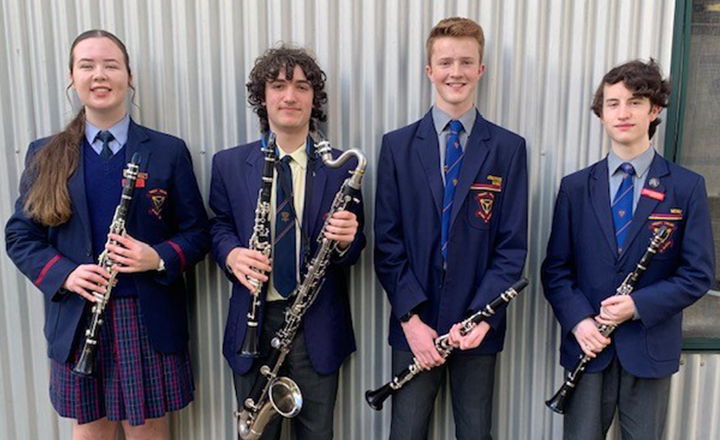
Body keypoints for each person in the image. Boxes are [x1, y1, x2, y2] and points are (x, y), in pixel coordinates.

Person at [4, 30, 209, 440]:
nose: (100, 75)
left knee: (149, 429)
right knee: (91, 430)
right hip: (79, 315)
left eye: (111, 65)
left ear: (128, 77)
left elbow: (198, 233)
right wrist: (65, 274)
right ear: (71, 77)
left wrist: (157, 256)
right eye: (87, 65)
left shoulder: (168, 150)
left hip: (146, 318)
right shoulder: (45, 153)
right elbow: (20, 236)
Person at [541, 59, 715, 440]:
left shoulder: (685, 187)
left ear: (654, 111)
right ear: (601, 114)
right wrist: (579, 321)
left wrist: (638, 305)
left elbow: (698, 273)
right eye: (612, 103)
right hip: (589, 346)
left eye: (635, 102)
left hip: (649, 350)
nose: (623, 112)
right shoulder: (575, 187)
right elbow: (555, 270)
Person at [374, 17, 528, 440]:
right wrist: (410, 319)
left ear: (480, 69)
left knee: (475, 431)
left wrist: (483, 317)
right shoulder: (398, 146)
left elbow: (512, 247)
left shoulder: (508, 149)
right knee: (406, 431)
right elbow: (387, 244)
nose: (454, 72)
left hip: (478, 326)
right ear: (429, 71)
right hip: (415, 324)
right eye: (444, 62)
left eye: (466, 62)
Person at [209, 45, 365, 440]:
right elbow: (217, 227)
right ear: (263, 97)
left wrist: (349, 240)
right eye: (278, 85)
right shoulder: (228, 164)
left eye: (302, 86)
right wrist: (231, 254)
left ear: (315, 98)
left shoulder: (343, 166)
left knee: (317, 433)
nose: (290, 96)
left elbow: (357, 246)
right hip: (253, 324)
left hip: (317, 326)